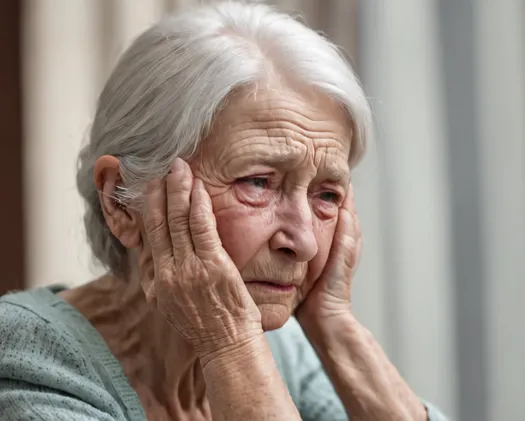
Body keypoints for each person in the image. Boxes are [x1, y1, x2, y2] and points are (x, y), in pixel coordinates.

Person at [0, 2, 448, 420]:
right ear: (122, 199)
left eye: (326, 195)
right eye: (258, 182)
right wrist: (229, 344)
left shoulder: (286, 349)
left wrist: (336, 329)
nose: (305, 241)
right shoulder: (27, 358)